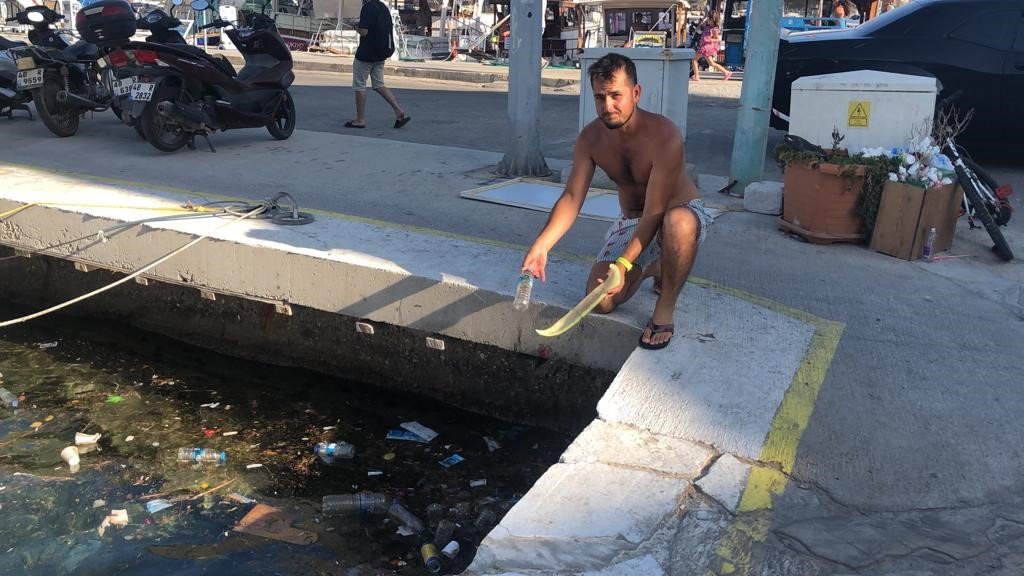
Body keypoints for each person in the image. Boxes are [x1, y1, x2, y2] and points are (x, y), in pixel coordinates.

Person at [520, 53, 714, 350]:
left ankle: (665, 307)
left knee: (677, 223)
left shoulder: (665, 135)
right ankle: (654, 266)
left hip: (675, 214)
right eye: (599, 97)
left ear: (636, 93)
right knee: (601, 302)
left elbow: (655, 211)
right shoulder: (590, 139)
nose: (607, 106)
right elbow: (572, 197)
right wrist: (542, 245)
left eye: (615, 95)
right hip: (632, 221)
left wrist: (623, 264)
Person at [344, 0, 411, 129]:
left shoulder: (367, 8)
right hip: (381, 53)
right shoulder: (382, 7)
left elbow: (364, 31)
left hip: (366, 54)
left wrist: (355, 27)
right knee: (379, 84)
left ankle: (360, 119)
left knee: (359, 85)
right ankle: (398, 111)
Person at [691, 12, 731, 82]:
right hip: (704, 46)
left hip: (706, 47)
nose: (708, 20)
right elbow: (698, 30)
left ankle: (697, 77)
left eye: (710, 19)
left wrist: (710, 39)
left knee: (694, 60)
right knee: (711, 63)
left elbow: (717, 39)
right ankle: (726, 72)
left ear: (713, 20)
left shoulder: (714, 29)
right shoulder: (707, 26)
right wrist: (703, 22)